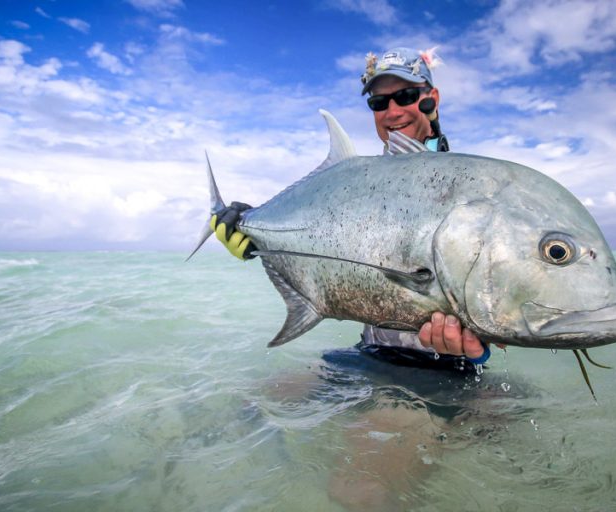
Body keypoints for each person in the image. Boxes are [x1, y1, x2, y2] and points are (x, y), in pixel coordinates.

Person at [211, 46, 494, 370]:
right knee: (254, 406)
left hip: (442, 371)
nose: (392, 111)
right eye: (378, 102)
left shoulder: (468, 191)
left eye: (405, 96)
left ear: (432, 98)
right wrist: (259, 239)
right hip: (370, 353)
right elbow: (326, 246)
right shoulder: (358, 183)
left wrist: (479, 345)